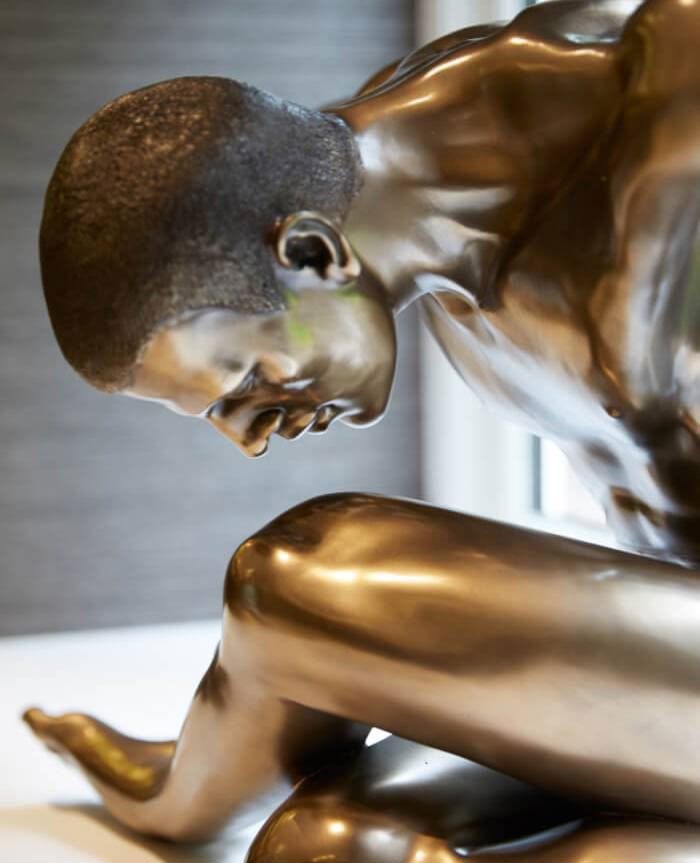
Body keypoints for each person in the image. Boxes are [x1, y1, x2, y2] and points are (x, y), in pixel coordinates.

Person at [25, 0, 700, 858]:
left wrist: (644, 266)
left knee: (297, 572)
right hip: (663, 678)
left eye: (245, 381)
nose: (252, 436)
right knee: (322, 841)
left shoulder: (632, 125)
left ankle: (181, 799)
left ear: (312, 255)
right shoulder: (438, 206)